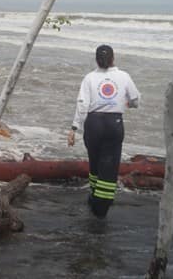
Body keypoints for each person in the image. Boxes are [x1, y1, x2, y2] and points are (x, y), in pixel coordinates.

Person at [67, 45, 140, 219]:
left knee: (95, 162)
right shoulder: (124, 76)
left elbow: (82, 104)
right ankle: (101, 209)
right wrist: (129, 104)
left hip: (93, 124)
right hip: (114, 124)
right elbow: (135, 99)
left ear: (96, 60)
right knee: (109, 165)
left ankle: (94, 197)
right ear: (113, 58)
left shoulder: (90, 78)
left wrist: (74, 128)